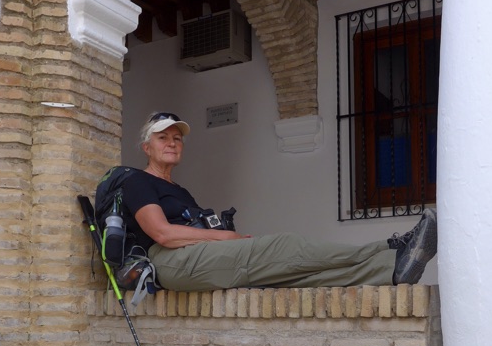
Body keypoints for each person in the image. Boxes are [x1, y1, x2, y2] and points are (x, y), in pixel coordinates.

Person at [118, 111, 437, 293]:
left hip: (196, 256)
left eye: (177, 138)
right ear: (147, 147)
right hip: (169, 261)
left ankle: (391, 270)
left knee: (294, 276)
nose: (172, 143)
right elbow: (163, 233)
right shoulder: (137, 181)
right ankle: (391, 248)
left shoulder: (180, 190)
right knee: (286, 246)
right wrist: (225, 238)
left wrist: (226, 239)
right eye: (163, 138)